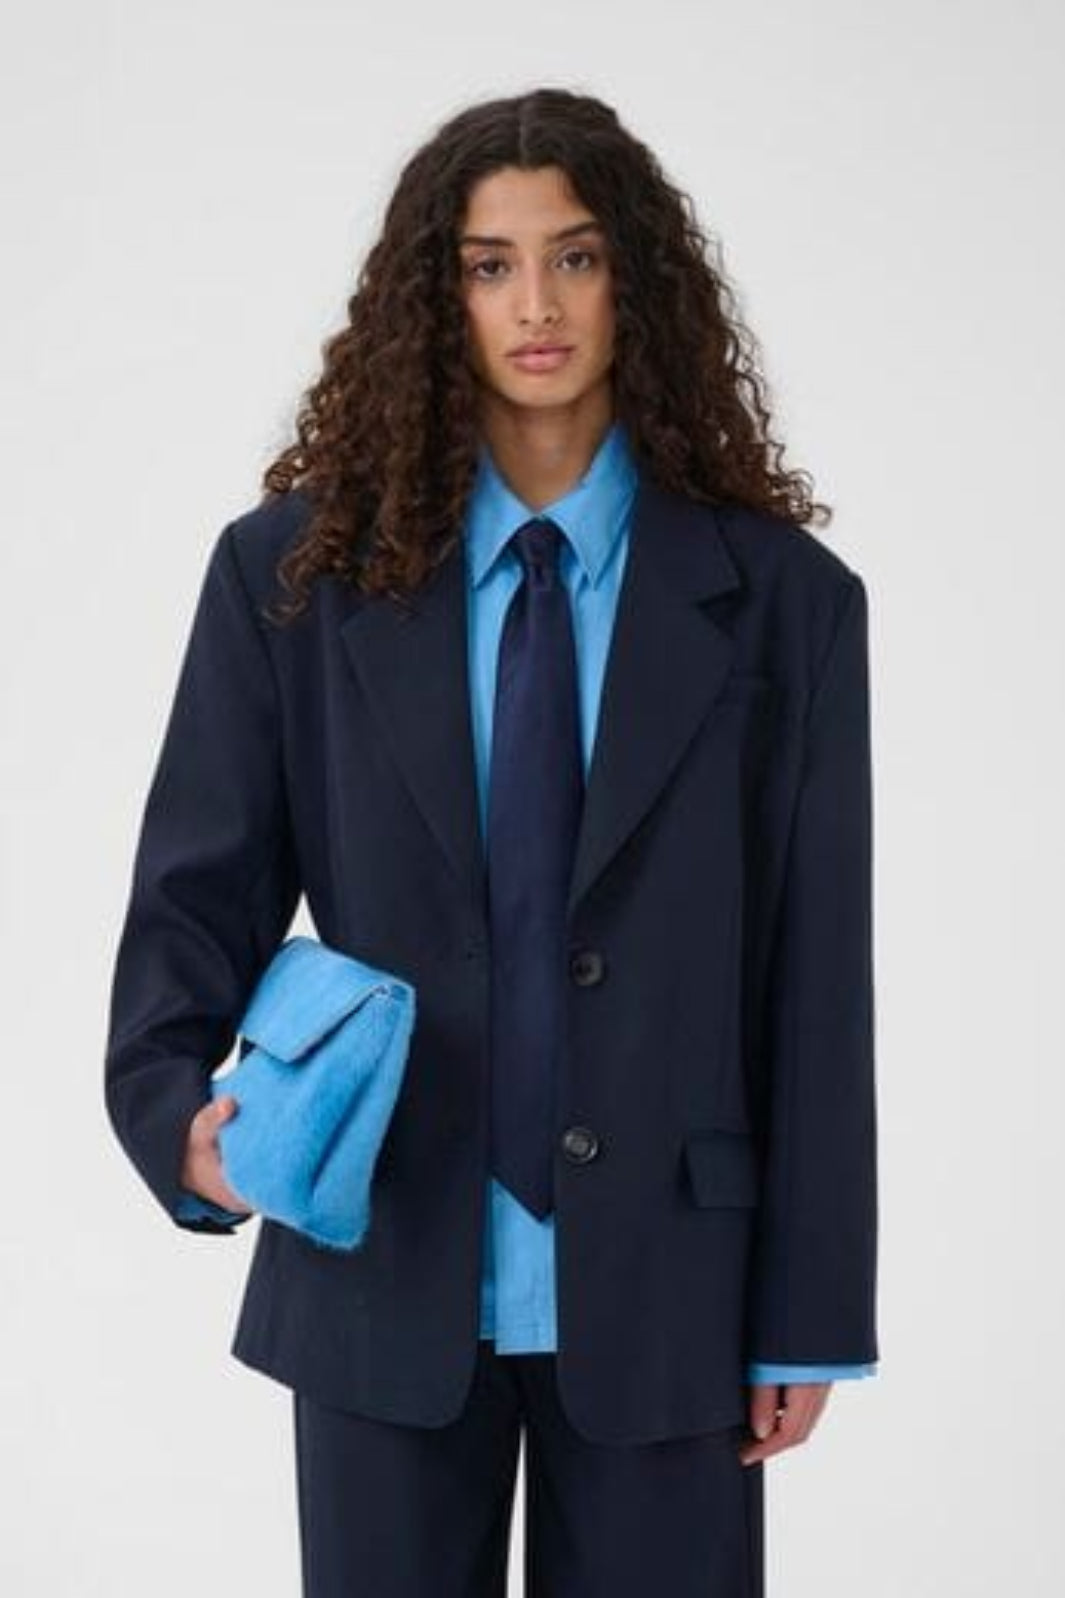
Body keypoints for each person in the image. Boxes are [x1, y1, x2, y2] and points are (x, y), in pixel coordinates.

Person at [104, 86, 879, 1598]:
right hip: (381, 1249)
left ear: (635, 282)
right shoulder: (294, 576)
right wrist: (172, 1113)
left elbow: (814, 976)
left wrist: (808, 1307)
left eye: (576, 257)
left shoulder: (785, 604)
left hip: (674, 1288)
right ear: (435, 295)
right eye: (488, 265)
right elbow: (198, 882)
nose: (537, 305)